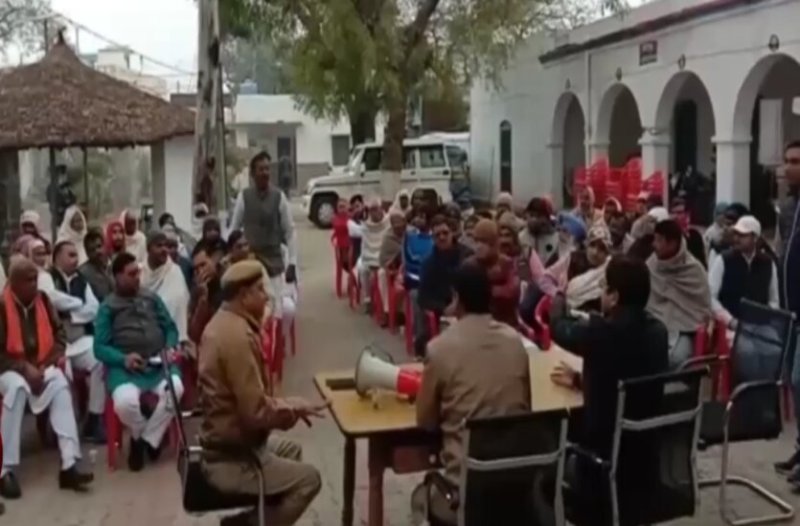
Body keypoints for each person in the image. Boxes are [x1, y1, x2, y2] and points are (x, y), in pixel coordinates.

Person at [198, 260, 323, 525]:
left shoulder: (223, 322)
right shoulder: (237, 338)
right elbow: (255, 413)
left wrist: (290, 405)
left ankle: (261, 518)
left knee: (290, 450)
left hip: (228, 442)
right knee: (309, 480)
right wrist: (292, 409)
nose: (266, 296)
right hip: (233, 456)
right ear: (244, 296)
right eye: (259, 290)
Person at [549, 256, 669, 516]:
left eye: (604, 287)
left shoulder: (600, 333)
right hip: (645, 460)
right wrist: (580, 380)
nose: (601, 292)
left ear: (614, 297)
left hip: (602, 462)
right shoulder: (659, 333)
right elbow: (627, 381)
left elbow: (557, 327)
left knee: (549, 432)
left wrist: (560, 293)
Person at [416, 262, 531, 525]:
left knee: (420, 499)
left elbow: (425, 421)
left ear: (457, 299)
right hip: (518, 487)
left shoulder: (439, 348)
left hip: (465, 495)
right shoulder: (515, 342)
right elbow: (525, 406)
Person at [0, 259, 93, 498]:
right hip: (7, 371)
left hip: (41, 365)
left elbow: (60, 337)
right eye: (28, 280)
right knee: (17, 387)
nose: (34, 284)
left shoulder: (43, 300)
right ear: (13, 283)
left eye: (35, 279)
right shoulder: (1, 305)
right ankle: (5, 470)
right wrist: (24, 368)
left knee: (60, 383)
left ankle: (69, 464)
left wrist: (45, 364)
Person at [94, 252, 183, 472]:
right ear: (117, 277)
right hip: (126, 369)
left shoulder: (151, 298)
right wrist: (123, 358)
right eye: (131, 274)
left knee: (176, 389)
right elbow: (99, 347)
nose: (137, 278)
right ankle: (147, 435)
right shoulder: (107, 307)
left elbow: (170, 328)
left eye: (138, 273)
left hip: (157, 363)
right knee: (125, 404)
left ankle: (143, 441)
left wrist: (169, 346)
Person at [229, 151, 298, 341]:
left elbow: (290, 231)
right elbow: (234, 230)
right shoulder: (244, 197)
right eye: (261, 169)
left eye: (267, 169)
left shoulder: (279, 197)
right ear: (253, 174)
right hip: (251, 263)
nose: (265, 173)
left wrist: (292, 263)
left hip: (274, 263)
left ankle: (277, 343)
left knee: (277, 309)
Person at [49, 241, 106, 444]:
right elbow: (52, 298)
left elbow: (94, 309)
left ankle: (94, 418)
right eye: (71, 255)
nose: (75, 260)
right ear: (57, 258)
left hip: (80, 340)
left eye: (76, 255)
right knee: (61, 377)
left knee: (101, 360)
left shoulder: (81, 280)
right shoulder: (47, 277)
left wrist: (71, 316)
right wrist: (78, 304)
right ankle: (62, 428)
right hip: (56, 345)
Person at [646, 219, 711, 367]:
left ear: (672, 243)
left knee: (677, 359)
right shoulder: (652, 264)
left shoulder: (694, 270)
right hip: (653, 324)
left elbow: (702, 309)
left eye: (659, 240)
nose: (654, 244)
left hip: (685, 329)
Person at [774, 140, 800, 484]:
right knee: (793, 383)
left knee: (799, 378)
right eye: (787, 160)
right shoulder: (789, 207)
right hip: (790, 311)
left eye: (796, 161)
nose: (788, 167)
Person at [709, 215, 779, 332]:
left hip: (759, 329)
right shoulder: (723, 260)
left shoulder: (768, 263)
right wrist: (730, 321)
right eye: (736, 234)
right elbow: (710, 296)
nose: (737, 238)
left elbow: (773, 301)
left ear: (755, 238)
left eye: (743, 235)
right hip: (727, 328)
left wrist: (765, 321)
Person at [416, 215, 473, 357]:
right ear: (432, 238)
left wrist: (460, 305)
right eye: (437, 235)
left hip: (469, 308)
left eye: (445, 233)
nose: (442, 237)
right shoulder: (428, 264)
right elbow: (423, 298)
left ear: (452, 233)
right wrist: (444, 309)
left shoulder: (467, 256)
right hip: (443, 313)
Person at [140, 230, 191, 346]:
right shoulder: (139, 273)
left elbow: (179, 306)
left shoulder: (175, 272)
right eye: (159, 246)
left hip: (172, 339)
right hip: (144, 338)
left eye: (166, 246)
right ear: (148, 249)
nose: (164, 249)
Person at [466, 219, 519, 327]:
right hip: (475, 324)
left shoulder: (506, 264)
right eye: (476, 241)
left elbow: (512, 292)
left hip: (504, 323)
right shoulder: (469, 266)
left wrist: (486, 289)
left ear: (494, 243)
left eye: (484, 242)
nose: (479, 246)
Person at [565, 225, 611, 313]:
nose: (595, 252)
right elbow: (547, 279)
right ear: (586, 245)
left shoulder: (609, 271)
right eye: (592, 245)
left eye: (601, 249)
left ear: (607, 253)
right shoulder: (572, 259)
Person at [354, 197, 390, 310]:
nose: (374, 212)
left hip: (383, 257)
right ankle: (367, 299)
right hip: (368, 257)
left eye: (376, 209)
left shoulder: (388, 222)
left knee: (382, 273)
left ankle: (385, 308)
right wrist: (370, 260)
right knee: (362, 268)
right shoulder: (366, 226)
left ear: (381, 209)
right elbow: (365, 247)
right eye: (371, 210)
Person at [188, 243, 223, 344]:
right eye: (196, 269)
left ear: (214, 260)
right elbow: (194, 334)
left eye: (203, 265)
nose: (200, 271)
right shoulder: (196, 292)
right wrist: (202, 299)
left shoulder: (228, 281)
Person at [377, 211, 407, 321]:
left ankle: (404, 312)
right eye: (396, 225)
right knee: (381, 274)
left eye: (401, 224)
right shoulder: (388, 237)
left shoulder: (410, 234)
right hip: (391, 268)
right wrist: (392, 268)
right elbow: (383, 260)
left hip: (406, 268)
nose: (399, 227)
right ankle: (388, 311)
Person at [519, 197, 558, 268]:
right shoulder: (521, 238)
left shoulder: (555, 238)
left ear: (545, 218)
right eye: (531, 215)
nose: (534, 219)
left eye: (538, 216)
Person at [670, 197, 707, 268]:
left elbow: (702, 262)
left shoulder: (695, 235)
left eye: (679, 213)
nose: (675, 216)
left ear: (687, 214)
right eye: (673, 213)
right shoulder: (669, 236)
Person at [79, 229, 114, 302]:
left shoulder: (116, 265)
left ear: (105, 246)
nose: (97, 251)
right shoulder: (83, 273)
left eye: (99, 246)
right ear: (87, 253)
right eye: (92, 250)